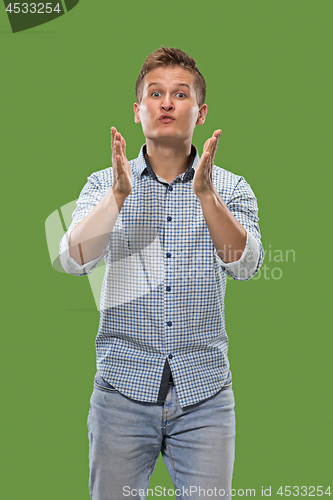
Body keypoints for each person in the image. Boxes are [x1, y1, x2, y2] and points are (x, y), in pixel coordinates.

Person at [59, 46, 264, 500]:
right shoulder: (104, 183)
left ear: (201, 112)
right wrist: (116, 196)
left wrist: (207, 197)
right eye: (155, 94)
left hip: (205, 396)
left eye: (180, 94)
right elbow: (74, 260)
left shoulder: (231, 187)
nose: (167, 103)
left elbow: (246, 266)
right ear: (138, 111)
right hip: (121, 394)